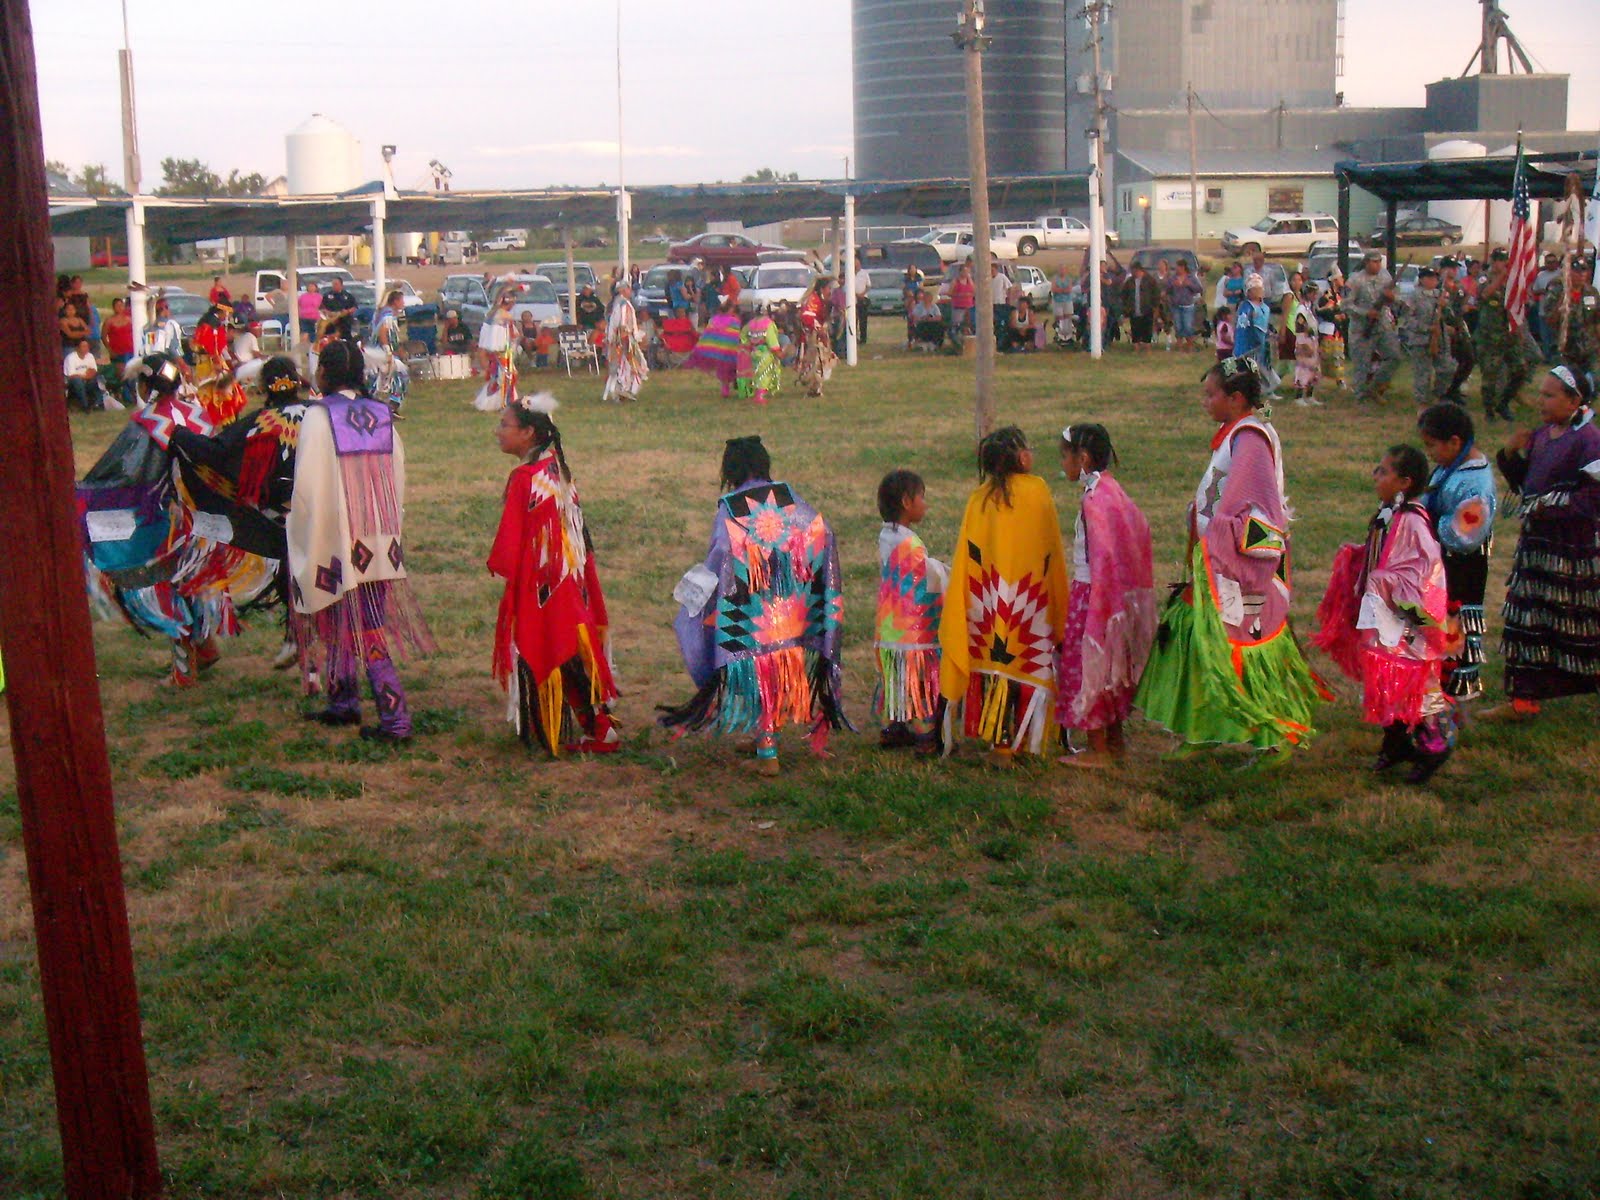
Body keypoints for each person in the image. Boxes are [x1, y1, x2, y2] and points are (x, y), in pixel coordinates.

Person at [1136, 357, 1328, 763]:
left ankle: (1277, 735)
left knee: (1246, 645)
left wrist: (1218, 537)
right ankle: (1204, 728)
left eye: (1211, 394)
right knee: (1201, 636)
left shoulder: (1250, 439)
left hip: (1244, 568)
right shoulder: (1238, 433)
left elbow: (1252, 509)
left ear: (1237, 398)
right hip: (1220, 563)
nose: (1204, 401)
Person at [659, 436, 849, 776]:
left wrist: (694, 592)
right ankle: (766, 735)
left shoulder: (732, 505)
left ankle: (768, 755)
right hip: (791, 612)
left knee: (759, 672)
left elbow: (720, 554)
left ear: (730, 469)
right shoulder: (787, 497)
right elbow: (822, 531)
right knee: (774, 673)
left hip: (750, 618)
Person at [289, 337, 434, 743]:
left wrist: (302, 530)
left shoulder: (318, 417)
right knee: (346, 621)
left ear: (325, 374)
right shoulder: (382, 415)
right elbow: (396, 476)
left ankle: (396, 719)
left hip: (334, 536)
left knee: (358, 625)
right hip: (376, 537)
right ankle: (343, 700)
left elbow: (307, 486)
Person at [1312, 444, 1455, 784]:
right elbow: (1385, 555)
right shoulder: (1389, 512)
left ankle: (1435, 746)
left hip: (1406, 618)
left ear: (1405, 482)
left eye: (1384, 471)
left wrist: (1382, 581)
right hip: (1384, 613)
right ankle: (1395, 744)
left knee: (1414, 682)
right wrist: (1360, 559)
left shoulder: (1412, 522)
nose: (1376, 476)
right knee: (1387, 678)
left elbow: (1421, 572)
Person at [487, 394, 620, 756]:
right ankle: (596, 725)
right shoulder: (555, 468)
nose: (498, 432)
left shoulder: (525, 478)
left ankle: (592, 727)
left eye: (504, 425)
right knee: (569, 648)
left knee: (553, 647)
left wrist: (505, 570)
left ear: (529, 432)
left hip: (542, 582)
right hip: (569, 579)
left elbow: (510, 545)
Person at [168, 355, 310, 671]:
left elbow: (216, 453)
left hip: (282, 517)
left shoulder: (261, 422)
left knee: (291, 568)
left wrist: (179, 436)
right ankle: (304, 638)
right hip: (330, 509)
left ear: (263, 387)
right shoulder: (319, 414)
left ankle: (299, 637)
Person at [938, 427, 1069, 764]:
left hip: (988, 602)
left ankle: (1000, 741)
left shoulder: (978, 498)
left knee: (996, 664)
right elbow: (1051, 548)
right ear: (1022, 457)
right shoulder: (1038, 491)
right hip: (1031, 603)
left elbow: (969, 554)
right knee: (1024, 660)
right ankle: (1023, 737)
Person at [1482, 366, 1600, 720]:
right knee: (1528, 619)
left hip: (1572, 550)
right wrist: (1510, 455)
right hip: (1537, 547)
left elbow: (1593, 498)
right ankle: (1524, 700)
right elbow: (1526, 487)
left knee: (1576, 621)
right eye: (1541, 393)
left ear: (1575, 400)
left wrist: (1547, 505)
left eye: (1550, 395)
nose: (1540, 401)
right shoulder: (1544, 434)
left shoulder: (1589, 440)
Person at [1054, 424, 1155, 769]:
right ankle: (1114, 742)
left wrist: (1098, 602)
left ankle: (1098, 750)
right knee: (1111, 669)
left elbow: (1102, 556)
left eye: (1064, 457)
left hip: (1093, 596)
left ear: (1082, 458)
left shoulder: (1094, 499)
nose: (1062, 464)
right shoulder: (1113, 491)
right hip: (1116, 597)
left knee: (1091, 669)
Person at [1417, 403, 1497, 701]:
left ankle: (1454, 694)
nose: (1430, 452)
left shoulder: (1476, 483)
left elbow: (1464, 536)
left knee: (1455, 625)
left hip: (1462, 569)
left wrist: (1425, 522)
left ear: (1455, 442)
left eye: (1432, 445)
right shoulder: (1453, 467)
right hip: (1444, 566)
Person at [874, 469, 947, 756]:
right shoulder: (909, 544)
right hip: (913, 632)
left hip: (889, 629)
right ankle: (926, 735)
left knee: (894, 678)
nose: (925, 503)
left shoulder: (886, 537)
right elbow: (923, 579)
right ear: (907, 502)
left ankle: (891, 727)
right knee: (919, 681)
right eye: (922, 497)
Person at [1346, 251, 1402, 404]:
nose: (1377, 265)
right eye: (1374, 262)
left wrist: (1392, 298)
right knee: (1362, 364)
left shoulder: (1386, 277)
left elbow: (1397, 297)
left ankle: (1374, 387)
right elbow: (1346, 305)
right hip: (1362, 328)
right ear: (1366, 262)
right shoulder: (1355, 280)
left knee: (1394, 356)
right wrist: (1365, 313)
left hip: (1383, 325)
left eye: (1379, 261)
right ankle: (1360, 397)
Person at [1399, 266, 1455, 408]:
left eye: (1435, 278)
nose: (1432, 280)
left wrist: (1445, 307)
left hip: (1440, 339)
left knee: (1448, 369)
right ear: (1422, 279)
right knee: (1423, 374)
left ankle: (1437, 395)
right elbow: (1407, 320)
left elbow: (1451, 316)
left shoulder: (1440, 295)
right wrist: (1426, 328)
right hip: (1420, 340)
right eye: (1429, 278)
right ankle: (1422, 403)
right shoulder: (1414, 297)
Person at [682, 297, 744, 398]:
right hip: (731, 351)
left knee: (723, 372)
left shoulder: (714, 320)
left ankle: (725, 389)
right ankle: (736, 386)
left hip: (718, 352)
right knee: (734, 369)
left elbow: (708, 335)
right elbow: (737, 335)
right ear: (731, 309)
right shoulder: (734, 321)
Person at [473, 289, 521, 412]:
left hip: (498, 352)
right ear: (510, 303)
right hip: (503, 352)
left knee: (503, 377)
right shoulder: (503, 315)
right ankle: (505, 404)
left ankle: (494, 402)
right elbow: (509, 335)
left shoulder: (492, 314)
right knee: (505, 377)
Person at [602, 281, 648, 402]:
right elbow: (622, 325)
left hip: (621, 341)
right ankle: (625, 390)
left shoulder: (617, 304)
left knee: (626, 367)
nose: (631, 291)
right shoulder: (623, 305)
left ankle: (625, 390)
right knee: (633, 366)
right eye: (629, 288)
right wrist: (624, 342)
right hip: (624, 341)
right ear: (623, 290)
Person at [366, 289, 409, 414]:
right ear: (395, 301)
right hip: (381, 353)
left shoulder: (379, 313)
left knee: (377, 379)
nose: (403, 303)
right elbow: (383, 332)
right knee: (401, 374)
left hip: (373, 352)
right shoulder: (388, 315)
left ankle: (374, 406)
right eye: (402, 300)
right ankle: (392, 407)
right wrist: (388, 351)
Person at [797, 276, 837, 397]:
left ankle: (815, 388)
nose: (830, 291)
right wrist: (819, 330)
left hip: (817, 336)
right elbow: (807, 317)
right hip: (812, 337)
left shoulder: (820, 299)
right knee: (816, 362)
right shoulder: (813, 300)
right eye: (828, 288)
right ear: (822, 288)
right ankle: (813, 387)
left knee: (821, 362)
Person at [1233, 274, 1273, 383]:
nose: (1259, 291)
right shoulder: (1246, 307)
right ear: (1249, 292)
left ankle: (1266, 388)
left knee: (1263, 367)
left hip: (1261, 344)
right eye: (1255, 289)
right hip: (1248, 345)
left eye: (1260, 289)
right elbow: (1242, 327)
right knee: (1247, 370)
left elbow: (1265, 325)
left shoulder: (1265, 308)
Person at [739, 305, 781, 404]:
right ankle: (760, 396)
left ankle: (756, 393)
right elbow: (772, 340)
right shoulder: (769, 324)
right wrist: (777, 351)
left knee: (756, 373)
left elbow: (743, 336)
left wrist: (748, 345)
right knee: (765, 373)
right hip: (766, 352)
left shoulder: (750, 323)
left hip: (753, 351)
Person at [1120, 261, 1157, 351]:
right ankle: (1136, 348)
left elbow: (1156, 294)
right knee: (1135, 328)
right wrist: (1127, 306)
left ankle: (1147, 348)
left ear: (1139, 270)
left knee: (1147, 329)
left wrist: (1154, 306)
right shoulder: (1130, 281)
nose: (1133, 272)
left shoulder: (1149, 280)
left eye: (1134, 270)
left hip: (1147, 310)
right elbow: (1123, 294)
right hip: (1134, 309)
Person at [1168, 259, 1203, 352]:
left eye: (1178, 267)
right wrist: (1172, 285)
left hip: (1188, 305)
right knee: (1178, 326)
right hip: (1175, 305)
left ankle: (1190, 346)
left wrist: (1189, 285)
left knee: (1188, 326)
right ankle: (1179, 347)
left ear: (1183, 267)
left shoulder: (1191, 277)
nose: (1176, 269)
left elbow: (1199, 289)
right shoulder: (1173, 278)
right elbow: (1167, 290)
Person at [63, 338, 101, 412]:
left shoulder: (90, 356)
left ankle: (98, 404)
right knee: (78, 382)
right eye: (83, 346)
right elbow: (72, 375)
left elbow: (93, 371)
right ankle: (85, 406)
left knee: (95, 379)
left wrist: (86, 376)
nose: (86, 348)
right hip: (73, 382)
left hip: (87, 379)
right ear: (77, 348)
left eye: (87, 346)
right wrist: (85, 376)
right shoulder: (70, 358)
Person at [1292, 312, 1321, 407]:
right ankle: (1299, 397)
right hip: (1304, 342)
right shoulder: (1302, 309)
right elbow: (1299, 326)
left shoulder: (1309, 307)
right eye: (1313, 295)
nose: (1315, 296)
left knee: (1313, 373)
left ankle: (1309, 395)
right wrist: (1303, 344)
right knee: (1303, 372)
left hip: (1312, 341)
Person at [909, 287, 945, 351]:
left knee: (940, 326)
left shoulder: (934, 306)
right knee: (923, 326)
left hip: (932, 323)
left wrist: (932, 319)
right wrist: (923, 318)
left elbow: (939, 317)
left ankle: (937, 344)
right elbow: (915, 317)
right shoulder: (918, 307)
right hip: (922, 324)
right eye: (926, 298)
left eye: (929, 298)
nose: (928, 300)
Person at [949, 262, 976, 337]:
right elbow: (949, 293)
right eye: (964, 271)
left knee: (969, 323)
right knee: (957, 324)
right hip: (958, 306)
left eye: (967, 272)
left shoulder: (970, 281)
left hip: (969, 306)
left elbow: (974, 291)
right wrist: (960, 295)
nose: (966, 273)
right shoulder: (955, 281)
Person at [853, 260, 872, 346]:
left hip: (863, 298)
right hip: (853, 299)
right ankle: (854, 338)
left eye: (856, 263)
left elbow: (868, 285)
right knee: (854, 320)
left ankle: (863, 339)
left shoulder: (864, 273)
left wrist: (862, 294)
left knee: (863, 320)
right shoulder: (849, 273)